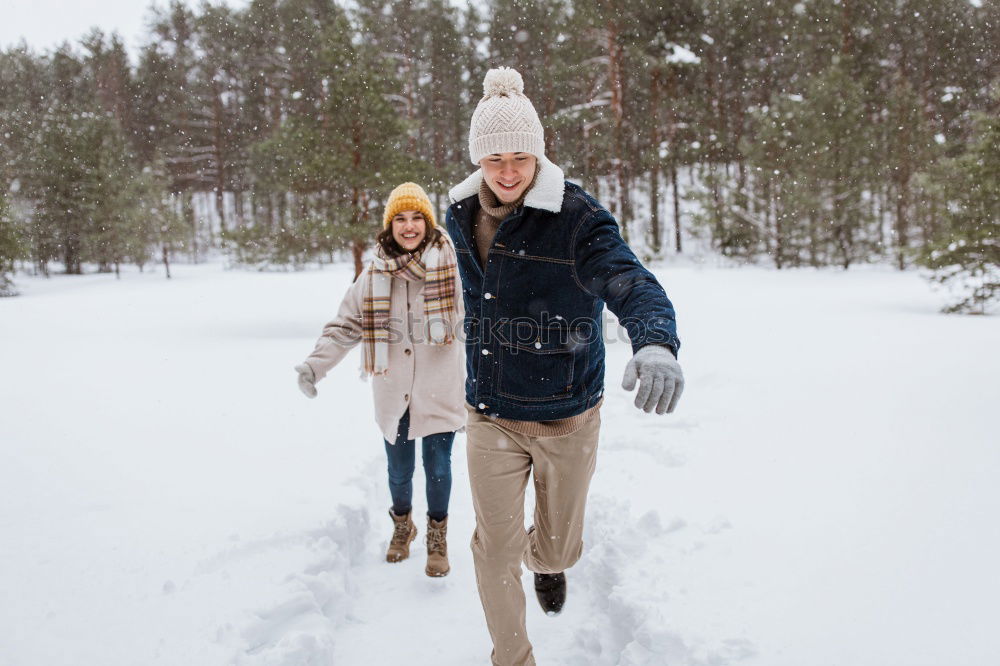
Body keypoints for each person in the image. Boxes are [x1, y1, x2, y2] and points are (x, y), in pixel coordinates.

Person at [445, 67, 685, 665]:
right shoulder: (456, 213)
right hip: (491, 412)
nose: (507, 171)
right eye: (494, 157)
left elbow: (627, 278)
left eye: (520, 157)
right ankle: (512, 656)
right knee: (493, 546)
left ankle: (548, 564)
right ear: (478, 159)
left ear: (538, 154)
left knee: (555, 550)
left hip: (566, 414)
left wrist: (654, 339)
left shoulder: (577, 218)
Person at [295, 182, 465, 577]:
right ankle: (402, 526)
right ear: (390, 226)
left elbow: (484, 318)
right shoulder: (373, 275)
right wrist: (314, 365)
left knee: (438, 465)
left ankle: (437, 537)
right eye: (400, 219)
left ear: (428, 222)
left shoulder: (452, 268)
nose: (409, 227)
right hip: (394, 391)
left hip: (440, 386)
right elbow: (345, 325)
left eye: (416, 218)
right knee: (399, 470)